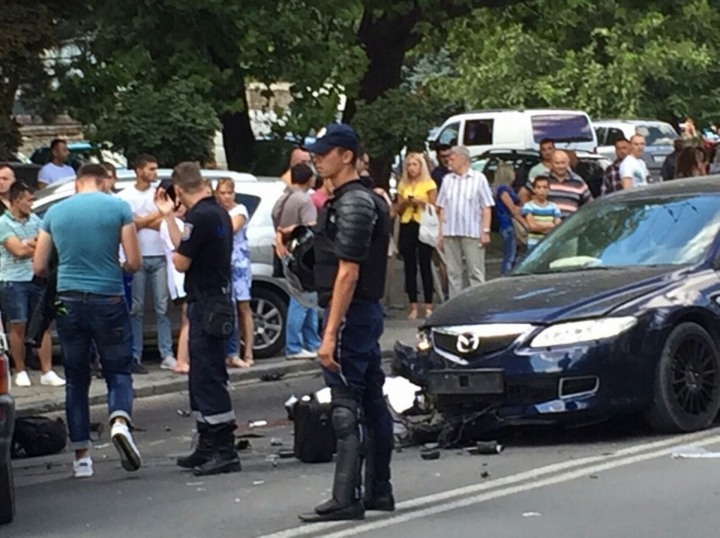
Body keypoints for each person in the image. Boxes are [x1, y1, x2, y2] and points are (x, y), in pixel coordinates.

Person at [299, 124, 394, 523]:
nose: (317, 158)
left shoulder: (355, 203)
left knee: (344, 403)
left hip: (352, 313)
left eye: (326, 152)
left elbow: (348, 274)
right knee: (371, 400)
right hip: (362, 313)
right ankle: (377, 490)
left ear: (347, 156)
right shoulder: (351, 200)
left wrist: (330, 332)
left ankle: (346, 496)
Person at [33, 164, 142, 479]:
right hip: (107, 297)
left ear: (77, 182)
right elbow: (134, 262)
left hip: (68, 300)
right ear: (102, 181)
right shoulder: (119, 208)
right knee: (118, 370)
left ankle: (82, 457)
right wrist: (117, 266)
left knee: (76, 380)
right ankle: (119, 421)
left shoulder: (55, 212)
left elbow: (39, 265)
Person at [155, 162, 240, 476]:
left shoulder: (199, 216)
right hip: (214, 298)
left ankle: (223, 449)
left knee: (207, 376)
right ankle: (207, 445)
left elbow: (180, 260)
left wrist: (168, 216)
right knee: (202, 375)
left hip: (206, 301)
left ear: (178, 190)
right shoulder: (216, 212)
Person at [0, 182, 65, 387]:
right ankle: (20, 369)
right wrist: (35, 246)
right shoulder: (3, 223)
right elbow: (16, 251)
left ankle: (47, 370)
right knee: (19, 324)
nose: (32, 204)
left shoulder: (35, 219)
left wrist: (31, 245)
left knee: (42, 324)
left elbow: (48, 243)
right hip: (13, 279)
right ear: (17, 200)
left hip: (35, 277)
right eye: (29, 200)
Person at [116, 154, 175, 373]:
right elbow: (129, 225)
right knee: (136, 308)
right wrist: (153, 216)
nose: (154, 173)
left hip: (159, 254)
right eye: (150, 168)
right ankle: (135, 353)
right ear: (139, 170)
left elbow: (164, 221)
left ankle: (166, 353)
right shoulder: (125, 196)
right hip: (137, 256)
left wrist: (141, 221)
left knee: (162, 306)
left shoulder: (158, 194)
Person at [272, 163, 321, 360]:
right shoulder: (304, 201)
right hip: (303, 255)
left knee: (308, 298)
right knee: (300, 300)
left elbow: (275, 219)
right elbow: (311, 227)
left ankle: (312, 342)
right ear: (309, 179)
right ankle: (294, 346)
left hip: (286, 252)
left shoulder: (283, 198)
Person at [436, 145, 494, 299]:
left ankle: (479, 302)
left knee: (475, 271)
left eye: (452, 159)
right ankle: (456, 303)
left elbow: (486, 206)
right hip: (451, 231)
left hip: (472, 231)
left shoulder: (479, 179)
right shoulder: (447, 180)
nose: (449, 162)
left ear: (463, 159)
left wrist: (485, 230)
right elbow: (442, 207)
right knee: (453, 272)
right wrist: (440, 233)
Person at [214, 178, 255, 368]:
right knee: (227, 307)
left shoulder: (239, 210)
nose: (226, 197)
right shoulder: (217, 212)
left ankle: (248, 352)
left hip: (238, 263)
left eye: (229, 193)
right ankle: (230, 351)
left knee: (243, 307)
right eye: (222, 193)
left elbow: (230, 229)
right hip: (223, 263)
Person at [396, 153, 437, 319]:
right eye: (409, 165)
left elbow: (435, 207)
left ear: (421, 167)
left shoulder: (429, 184)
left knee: (425, 264)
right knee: (409, 265)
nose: (411, 168)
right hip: (408, 223)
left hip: (423, 223)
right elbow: (398, 209)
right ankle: (413, 305)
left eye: (415, 165)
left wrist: (422, 202)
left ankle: (428, 304)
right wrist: (405, 202)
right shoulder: (403, 184)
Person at [157, 182, 190, 375]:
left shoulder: (177, 222)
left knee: (188, 319)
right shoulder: (171, 224)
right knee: (188, 320)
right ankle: (181, 360)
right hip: (179, 279)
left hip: (179, 277)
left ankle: (184, 357)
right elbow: (180, 247)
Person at [519, 150, 591, 218]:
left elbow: (590, 203)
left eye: (563, 163)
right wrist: (528, 212)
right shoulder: (542, 177)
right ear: (551, 163)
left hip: (570, 227)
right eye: (557, 163)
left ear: (568, 163)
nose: (560, 166)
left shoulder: (578, 181)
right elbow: (523, 193)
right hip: (546, 223)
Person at [494, 162, 525, 274]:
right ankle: (505, 275)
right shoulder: (503, 190)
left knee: (513, 254)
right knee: (510, 255)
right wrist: (525, 223)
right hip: (508, 224)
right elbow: (512, 209)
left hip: (508, 225)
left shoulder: (506, 189)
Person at [521, 176, 562, 250]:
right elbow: (532, 226)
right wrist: (550, 224)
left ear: (549, 189)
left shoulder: (554, 206)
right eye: (538, 187)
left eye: (545, 187)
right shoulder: (528, 206)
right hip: (533, 245)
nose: (542, 190)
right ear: (534, 190)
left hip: (550, 245)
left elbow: (559, 226)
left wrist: (539, 225)